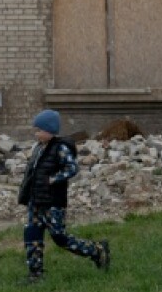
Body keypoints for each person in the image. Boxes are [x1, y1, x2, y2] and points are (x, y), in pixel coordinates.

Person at [19, 109, 110, 283]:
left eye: (39, 130)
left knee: (60, 237)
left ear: (49, 130)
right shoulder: (38, 148)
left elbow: (72, 168)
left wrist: (54, 179)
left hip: (53, 202)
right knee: (32, 235)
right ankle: (35, 274)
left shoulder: (60, 148)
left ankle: (96, 250)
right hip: (36, 201)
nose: (36, 133)